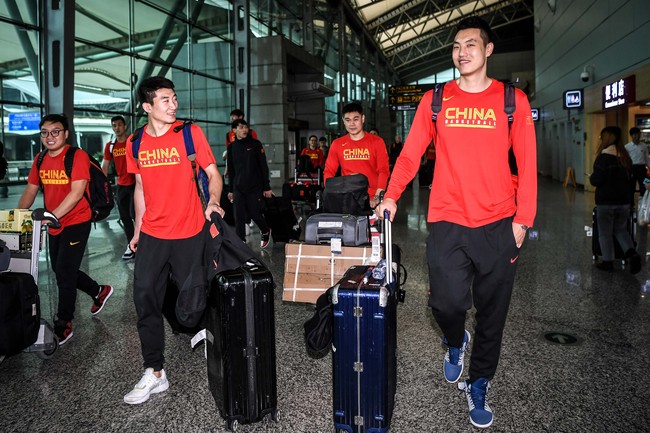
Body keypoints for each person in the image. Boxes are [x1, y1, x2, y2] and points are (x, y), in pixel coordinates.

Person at [377, 16, 537, 429]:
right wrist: (392, 193)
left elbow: (528, 162)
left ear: (487, 50)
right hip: (448, 217)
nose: (461, 52)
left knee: (492, 314)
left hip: (499, 224)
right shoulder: (435, 100)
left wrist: (523, 222)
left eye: (470, 44)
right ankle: (454, 341)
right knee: (445, 303)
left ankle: (480, 381)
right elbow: (411, 153)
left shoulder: (511, 100)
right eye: (455, 46)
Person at [123, 77, 224, 405]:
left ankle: (212, 334)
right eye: (165, 100)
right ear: (147, 106)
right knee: (144, 300)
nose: (173, 104)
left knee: (195, 299)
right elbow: (140, 188)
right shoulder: (135, 142)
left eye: (174, 98)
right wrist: (138, 230)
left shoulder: (189, 134)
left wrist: (213, 201)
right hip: (153, 234)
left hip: (190, 232)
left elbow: (213, 174)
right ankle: (155, 371)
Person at [18, 114, 113, 346]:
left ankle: (64, 322)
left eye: (55, 131)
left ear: (66, 134)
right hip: (54, 223)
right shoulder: (40, 160)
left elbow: (77, 192)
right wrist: (17, 216)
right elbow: (31, 190)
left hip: (76, 221)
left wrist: (52, 216)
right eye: (45, 132)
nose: (50, 137)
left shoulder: (76, 156)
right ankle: (99, 290)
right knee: (64, 270)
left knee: (63, 272)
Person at [590, 126, 641, 273]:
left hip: (606, 202)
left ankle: (608, 262)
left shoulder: (604, 158)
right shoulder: (625, 157)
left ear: (606, 138)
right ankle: (632, 253)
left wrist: (592, 177)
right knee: (621, 230)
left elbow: (597, 180)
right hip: (624, 202)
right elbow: (630, 181)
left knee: (605, 232)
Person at [323, 103, 390, 207]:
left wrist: (377, 197)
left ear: (363, 119)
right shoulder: (337, 144)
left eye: (356, 119)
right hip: (347, 197)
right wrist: (331, 192)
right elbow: (329, 171)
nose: (352, 124)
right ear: (343, 121)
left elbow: (383, 170)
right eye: (348, 120)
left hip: (371, 197)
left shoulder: (377, 142)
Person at [226, 119, 273, 247]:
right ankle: (241, 242)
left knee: (254, 213)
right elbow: (231, 169)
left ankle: (265, 230)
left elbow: (263, 166)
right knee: (238, 215)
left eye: (246, 127)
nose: (244, 130)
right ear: (234, 130)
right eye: (241, 127)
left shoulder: (255, 144)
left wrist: (266, 186)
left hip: (254, 186)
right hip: (238, 187)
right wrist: (230, 189)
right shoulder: (231, 147)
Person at [101, 115, 136, 260]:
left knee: (137, 216)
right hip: (122, 186)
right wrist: (102, 185)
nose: (117, 128)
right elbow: (105, 166)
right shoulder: (110, 146)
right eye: (114, 125)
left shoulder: (132, 141)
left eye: (119, 125)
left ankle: (146, 245)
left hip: (136, 184)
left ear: (125, 127)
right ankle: (132, 246)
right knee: (126, 218)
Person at [624, 127, 649, 197]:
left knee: (645, 185)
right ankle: (631, 205)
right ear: (631, 136)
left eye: (638, 134)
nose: (637, 136)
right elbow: (625, 160)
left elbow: (647, 158)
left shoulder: (644, 146)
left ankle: (644, 205)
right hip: (632, 169)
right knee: (631, 187)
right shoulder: (627, 147)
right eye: (634, 134)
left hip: (642, 169)